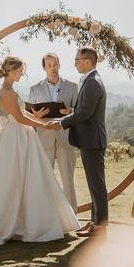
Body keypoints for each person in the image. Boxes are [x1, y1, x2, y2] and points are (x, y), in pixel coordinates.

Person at [0, 57, 80, 246]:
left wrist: (43, 122)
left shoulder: (11, 90)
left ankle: (24, 220)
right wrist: (47, 126)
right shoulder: (5, 92)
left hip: (23, 136)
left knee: (27, 178)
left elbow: (24, 113)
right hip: (15, 138)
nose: (21, 74)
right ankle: (5, 223)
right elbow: (19, 118)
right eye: (19, 71)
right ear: (10, 71)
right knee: (12, 178)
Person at [49, 47, 108, 239]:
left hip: (92, 140)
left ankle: (99, 226)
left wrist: (62, 123)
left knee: (96, 184)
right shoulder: (90, 80)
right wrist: (71, 112)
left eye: (77, 59)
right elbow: (83, 109)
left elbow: (85, 113)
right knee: (94, 183)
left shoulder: (92, 82)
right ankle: (96, 221)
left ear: (88, 62)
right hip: (90, 140)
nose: (74, 63)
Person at [27, 53, 78, 211]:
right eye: (49, 65)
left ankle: (72, 215)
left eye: (55, 64)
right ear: (44, 67)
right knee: (43, 180)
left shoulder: (72, 86)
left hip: (66, 138)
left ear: (59, 65)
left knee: (68, 180)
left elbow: (80, 112)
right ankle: (45, 216)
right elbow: (29, 114)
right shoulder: (34, 89)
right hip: (44, 139)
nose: (53, 68)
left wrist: (70, 110)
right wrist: (36, 115)